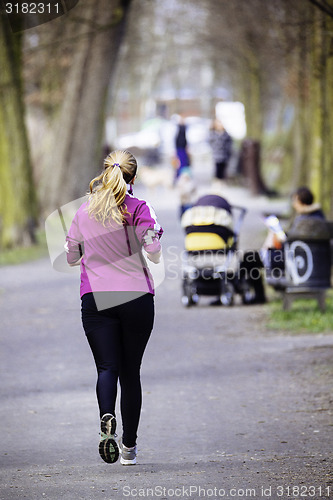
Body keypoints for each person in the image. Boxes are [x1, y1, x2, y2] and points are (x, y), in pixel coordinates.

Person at [65, 150, 163, 466]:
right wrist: (150, 239)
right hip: (135, 298)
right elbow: (155, 253)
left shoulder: (83, 211)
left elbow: (71, 256)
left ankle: (106, 417)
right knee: (130, 372)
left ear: (105, 173)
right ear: (133, 178)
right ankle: (129, 448)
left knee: (107, 368)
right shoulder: (138, 208)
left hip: (95, 298)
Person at [173, 116, 190, 181]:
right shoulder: (180, 128)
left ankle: (180, 177)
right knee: (180, 164)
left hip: (181, 148)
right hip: (180, 148)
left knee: (180, 164)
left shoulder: (181, 128)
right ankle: (180, 177)